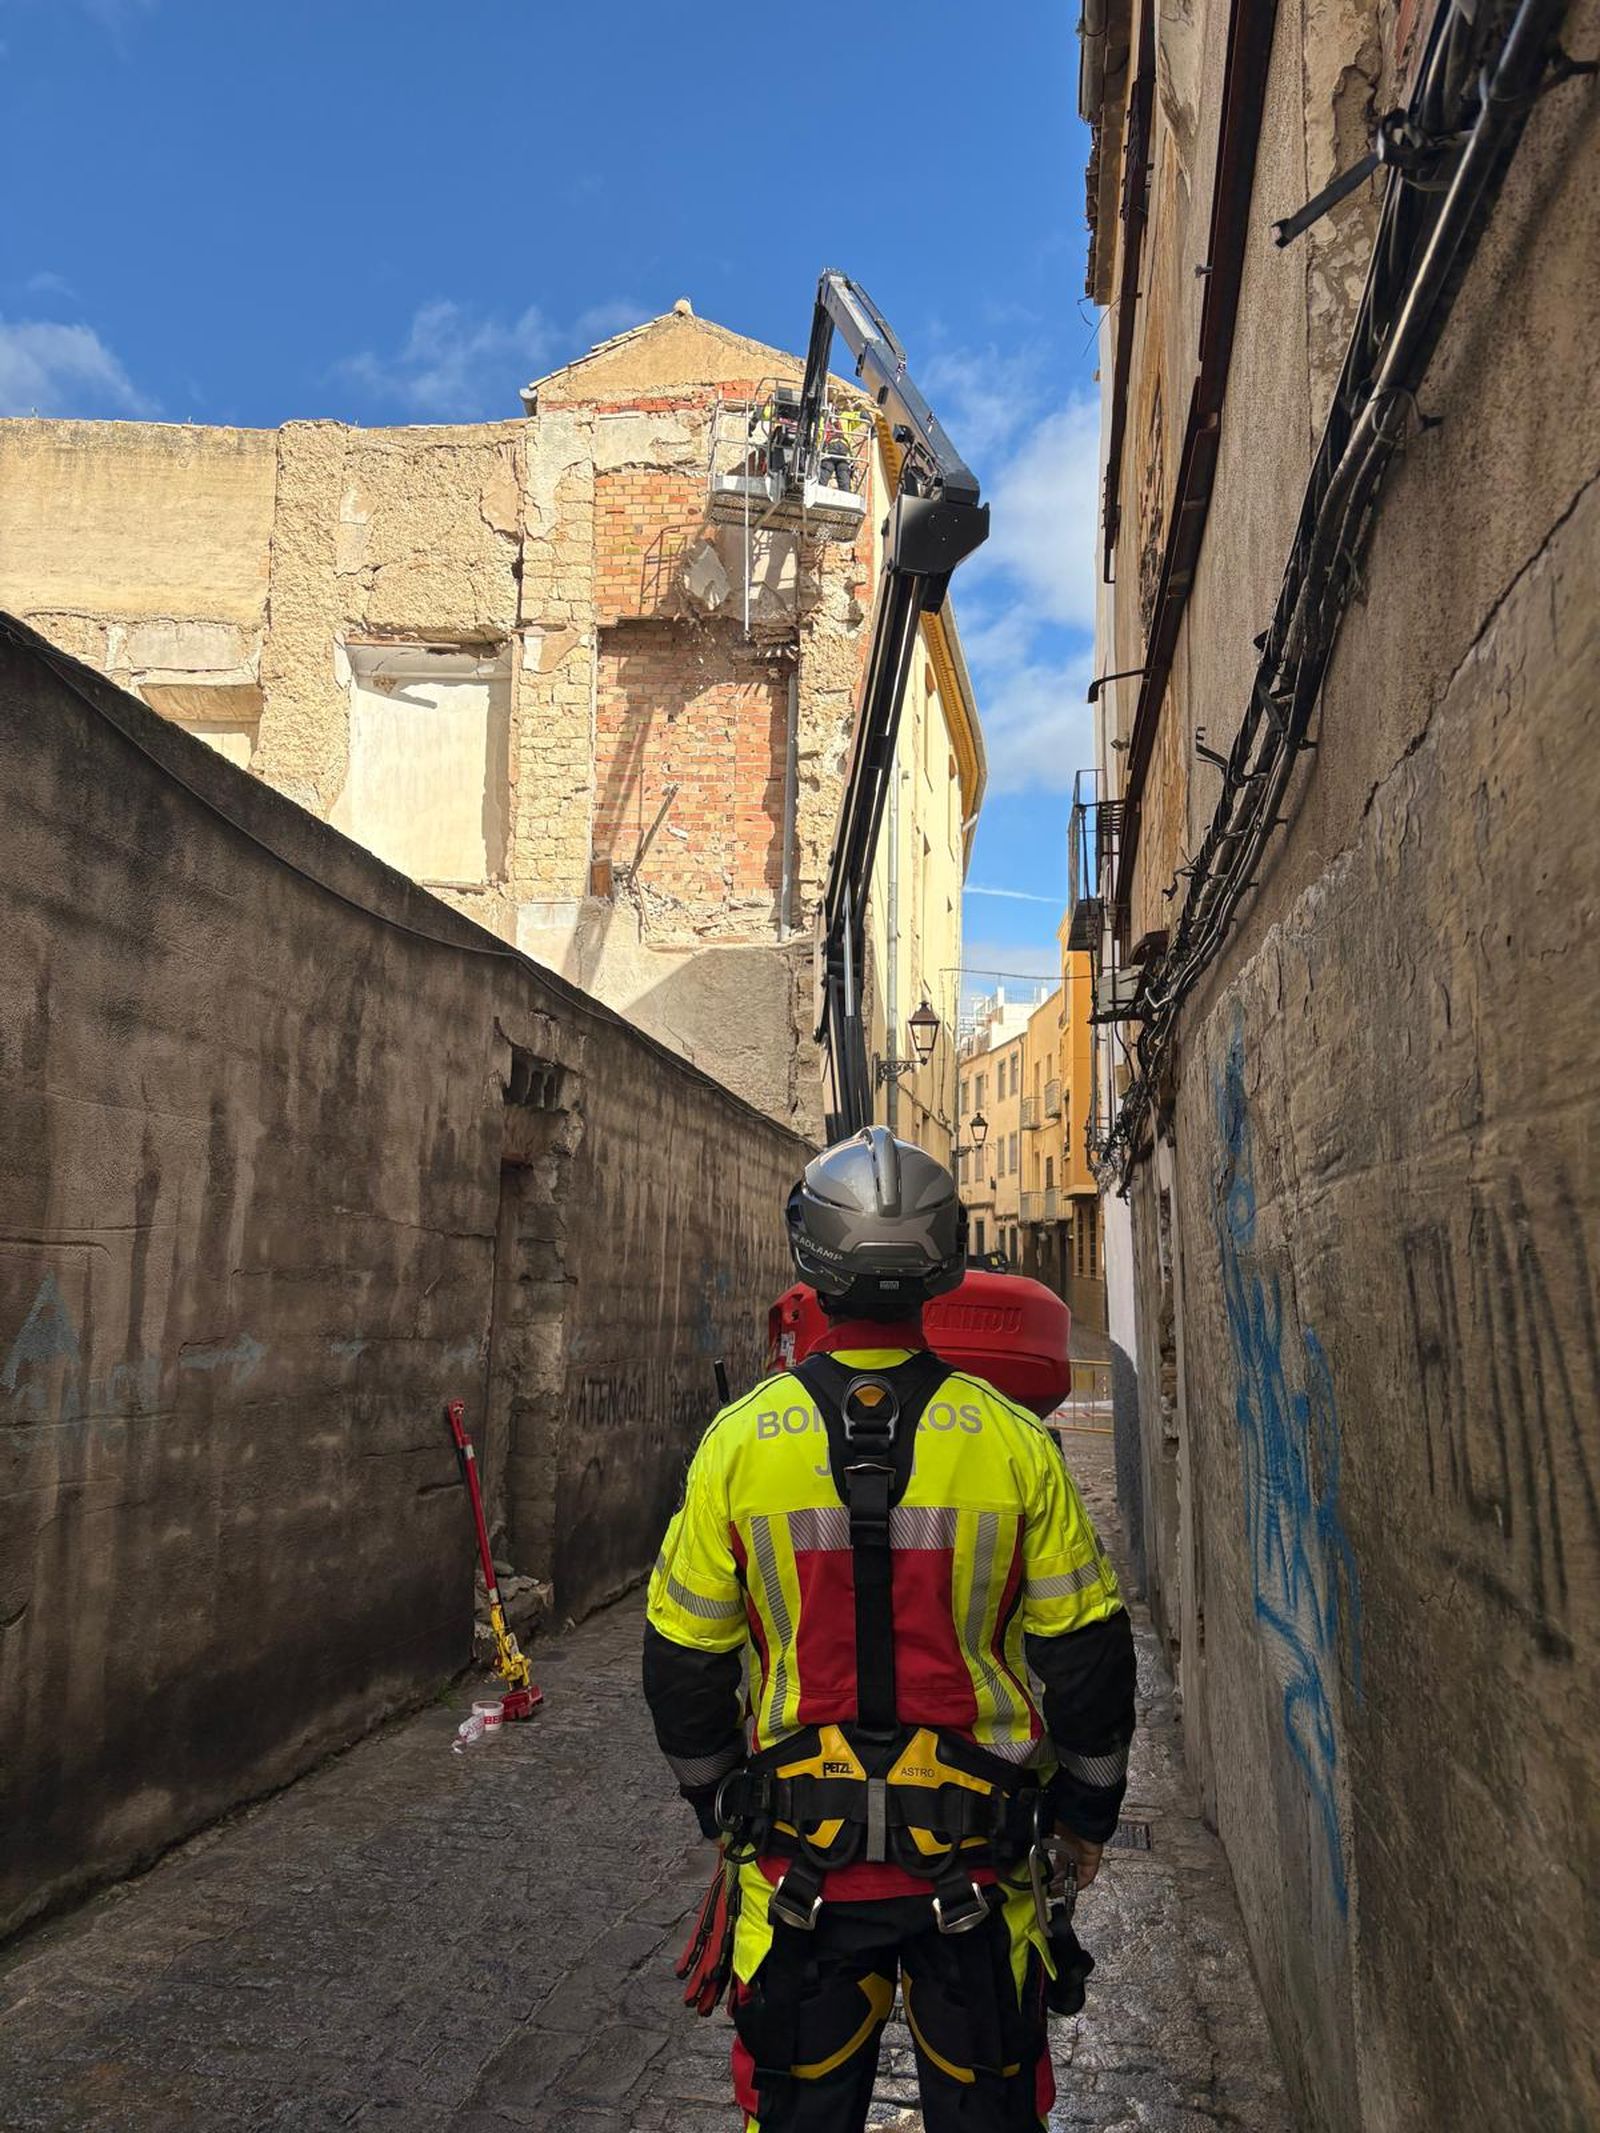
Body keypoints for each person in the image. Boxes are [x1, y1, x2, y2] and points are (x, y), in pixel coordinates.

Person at [644, 1127, 1137, 2131]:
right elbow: (1085, 1659)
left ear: (809, 1263)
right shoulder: (1012, 1444)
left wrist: (714, 1803)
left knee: (795, 2109)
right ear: (943, 1266)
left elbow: (683, 1664)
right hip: (980, 1869)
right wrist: (1085, 1819)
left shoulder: (736, 1445)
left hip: (795, 1876)